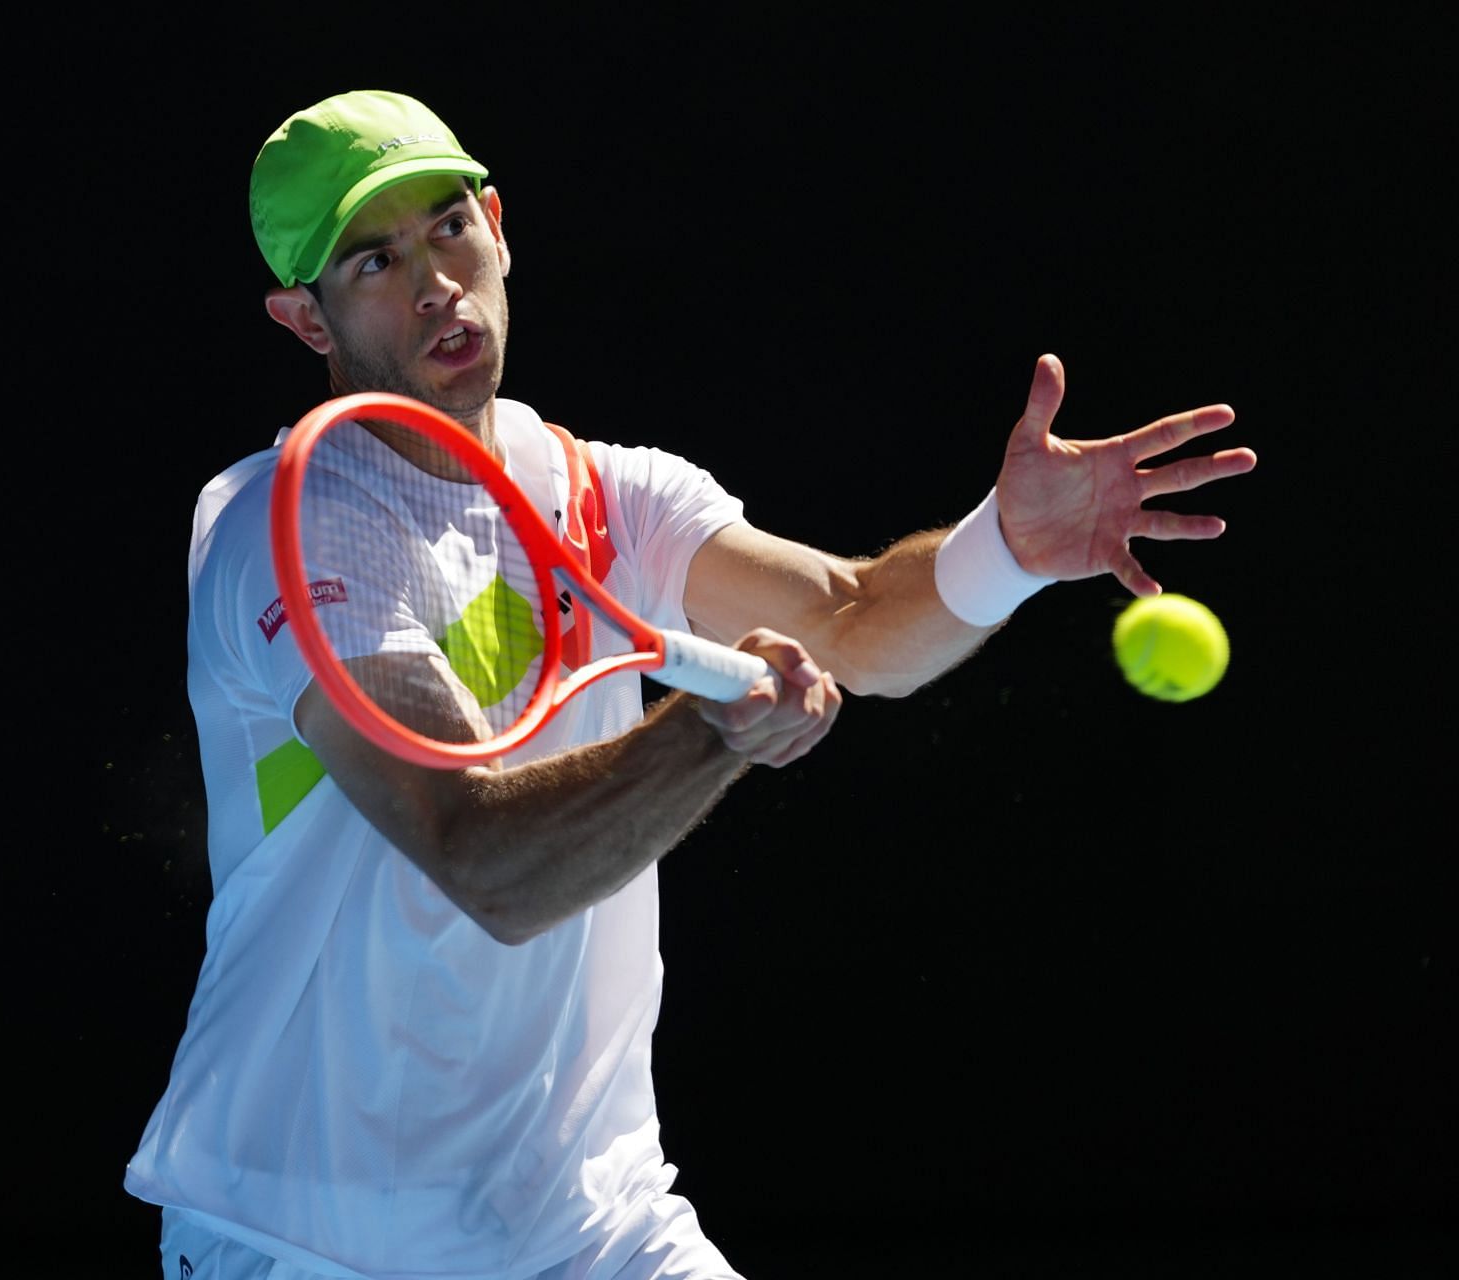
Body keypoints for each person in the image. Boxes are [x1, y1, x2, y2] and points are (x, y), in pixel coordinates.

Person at [125, 90, 1255, 1279]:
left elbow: (861, 623)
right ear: (305, 320)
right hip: (308, 1233)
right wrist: (707, 737)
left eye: (450, 226)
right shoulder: (287, 520)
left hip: (592, 1225)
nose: (435, 283)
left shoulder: (620, 493)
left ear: (499, 227)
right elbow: (480, 859)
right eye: (374, 260)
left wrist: (1007, 546)